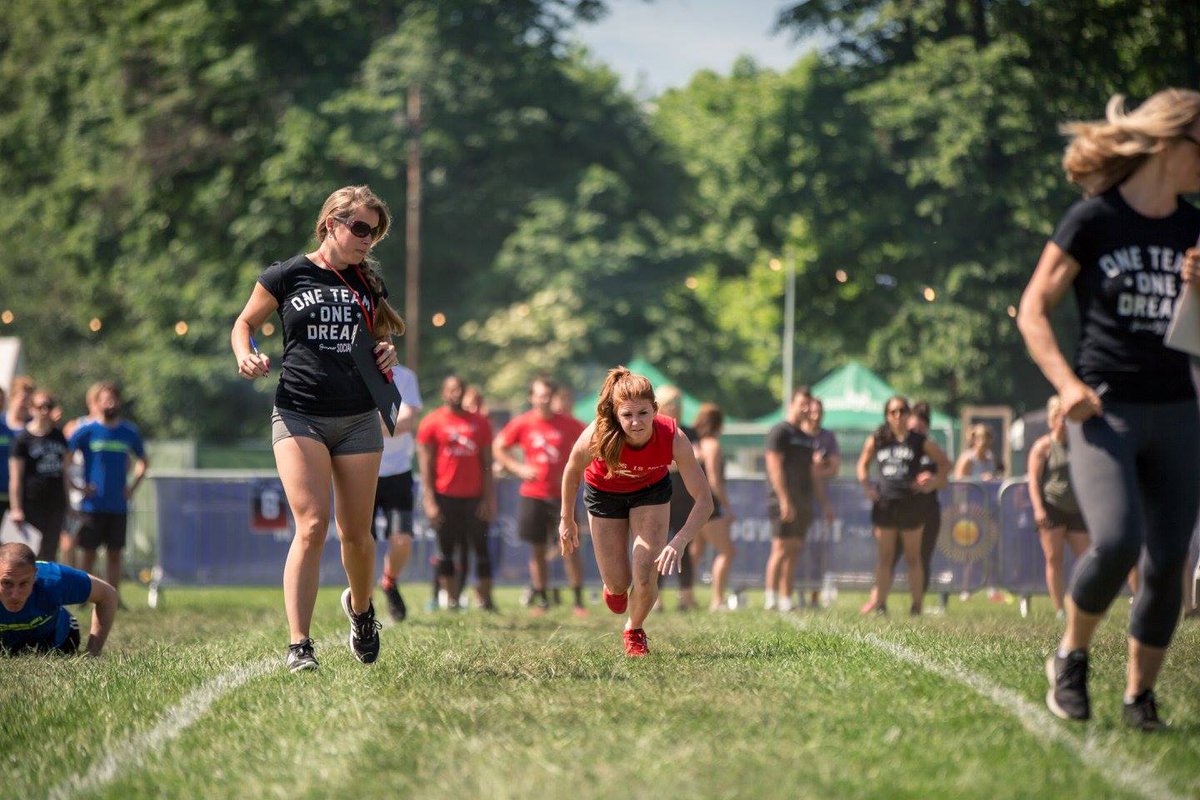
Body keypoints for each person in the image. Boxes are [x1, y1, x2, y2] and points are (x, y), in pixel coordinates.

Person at [1017, 89, 1200, 730]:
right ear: (1171, 145)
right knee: (1118, 540)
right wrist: (1066, 385)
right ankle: (1070, 657)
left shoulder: (1194, 228)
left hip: (1179, 408)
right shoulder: (1093, 219)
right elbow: (1034, 308)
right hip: (1103, 411)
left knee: (1169, 562)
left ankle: (1138, 697)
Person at [231, 184, 404, 673]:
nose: (368, 240)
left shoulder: (367, 282)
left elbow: (377, 342)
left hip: (356, 417)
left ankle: (362, 611)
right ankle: (299, 644)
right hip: (299, 412)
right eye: (361, 229)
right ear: (332, 223)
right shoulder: (286, 274)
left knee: (357, 535)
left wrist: (387, 351)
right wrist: (246, 354)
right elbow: (243, 323)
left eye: (375, 232)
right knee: (310, 524)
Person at [559, 366, 712, 656]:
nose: (636, 423)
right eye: (627, 415)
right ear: (616, 415)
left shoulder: (674, 437)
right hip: (604, 494)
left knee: (645, 572)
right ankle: (613, 588)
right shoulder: (598, 434)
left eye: (643, 413)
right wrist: (566, 519)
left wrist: (678, 541)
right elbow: (571, 470)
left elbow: (704, 500)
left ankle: (634, 629)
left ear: (655, 410)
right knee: (619, 585)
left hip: (650, 493)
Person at [494, 376, 588, 617]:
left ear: (553, 396)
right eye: (539, 395)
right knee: (537, 550)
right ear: (531, 397)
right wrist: (518, 468)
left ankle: (578, 601)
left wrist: (579, 470)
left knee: (570, 548)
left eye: (548, 395)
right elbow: (499, 446)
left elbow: (592, 442)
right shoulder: (523, 423)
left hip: (562, 497)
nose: (544, 399)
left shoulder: (569, 424)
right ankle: (542, 600)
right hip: (533, 495)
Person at [857, 396, 950, 616]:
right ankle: (880, 604)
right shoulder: (878, 438)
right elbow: (863, 464)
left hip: (911, 504)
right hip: (885, 504)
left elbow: (945, 463)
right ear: (887, 415)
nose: (897, 416)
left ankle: (916, 606)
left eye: (901, 411)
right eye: (893, 412)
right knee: (885, 558)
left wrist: (933, 483)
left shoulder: (918, 440)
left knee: (913, 557)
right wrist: (867, 487)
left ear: (908, 414)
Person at [417, 375, 497, 611]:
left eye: (459, 389)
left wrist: (488, 499)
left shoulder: (480, 423)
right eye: (451, 390)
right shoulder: (431, 422)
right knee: (446, 551)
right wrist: (430, 500)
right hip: (445, 497)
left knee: (481, 550)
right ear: (443, 393)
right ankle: (451, 601)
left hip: (474, 497)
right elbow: (425, 467)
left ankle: (486, 600)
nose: (455, 393)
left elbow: (488, 465)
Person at [66, 382, 148, 607]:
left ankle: (113, 598)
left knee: (114, 553)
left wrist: (132, 488)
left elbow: (143, 461)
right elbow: (64, 461)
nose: (110, 403)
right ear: (97, 402)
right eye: (105, 399)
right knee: (88, 553)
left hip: (118, 505)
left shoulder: (128, 432)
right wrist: (77, 487)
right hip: (92, 505)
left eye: (113, 398)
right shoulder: (86, 431)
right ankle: (82, 597)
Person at [764, 388, 832, 612]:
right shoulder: (780, 431)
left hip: (803, 501)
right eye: (802, 403)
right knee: (780, 549)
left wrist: (823, 503)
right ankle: (770, 598)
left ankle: (785, 599)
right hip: (782, 500)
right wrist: (784, 500)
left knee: (794, 550)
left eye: (808, 404)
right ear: (791, 403)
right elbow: (774, 467)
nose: (806, 408)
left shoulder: (806, 437)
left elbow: (812, 474)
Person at [1026, 396, 1089, 619]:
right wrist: (1038, 509)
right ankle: (1059, 608)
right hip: (1052, 507)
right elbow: (1033, 481)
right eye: (1059, 417)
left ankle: (1082, 603)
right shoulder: (1042, 446)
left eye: (1066, 417)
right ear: (1051, 420)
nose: (1063, 421)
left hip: (1077, 508)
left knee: (1087, 559)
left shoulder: (1079, 444)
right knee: (1054, 559)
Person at [0, 542, 118, 656]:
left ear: (34, 575)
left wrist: (92, 652)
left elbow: (108, 594)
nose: (15, 594)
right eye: (6, 583)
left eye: (23, 583)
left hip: (58, 641)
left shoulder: (54, 579)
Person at [374, 363, 422, 622]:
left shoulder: (405, 377)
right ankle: (361, 602)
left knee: (402, 539)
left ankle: (389, 582)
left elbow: (406, 423)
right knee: (361, 540)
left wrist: (365, 427)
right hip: (361, 469)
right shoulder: (354, 371)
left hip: (398, 471)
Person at [8, 390, 69, 562]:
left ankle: (45, 588)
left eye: (48, 406)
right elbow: (15, 477)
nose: (45, 411)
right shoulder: (22, 439)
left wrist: (69, 504)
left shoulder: (58, 435)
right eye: (40, 406)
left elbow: (64, 472)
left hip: (55, 502)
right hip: (31, 503)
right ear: (32, 408)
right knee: (29, 554)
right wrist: (16, 508)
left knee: (49, 553)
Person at [689, 403, 736, 611]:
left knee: (695, 552)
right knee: (727, 551)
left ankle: (686, 596)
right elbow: (715, 481)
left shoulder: (695, 444)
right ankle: (717, 600)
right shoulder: (713, 445)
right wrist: (727, 507)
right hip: (709, 506)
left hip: (692, 503)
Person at [655, 385, 697, 611]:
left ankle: (686, 596)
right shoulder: (652, 431)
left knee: (684, 546)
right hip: (658, 498)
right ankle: (655, 597)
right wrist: (681, 461)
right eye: (671, 404)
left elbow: (694, 461)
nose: (676, 409)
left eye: (679, 404)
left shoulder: (689, 432)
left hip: (684, 498)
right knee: (657, 547)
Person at [803, 397, 841, 607]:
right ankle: (792, 594)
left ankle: (815, 597)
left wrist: (818, 469)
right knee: (796, 549)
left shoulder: (828, 438)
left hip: (820, 501)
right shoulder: (797, 434)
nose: (816, 416)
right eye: (813, 411)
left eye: (820, 411)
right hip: (798, 499)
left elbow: (834, 468)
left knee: (817, 550)